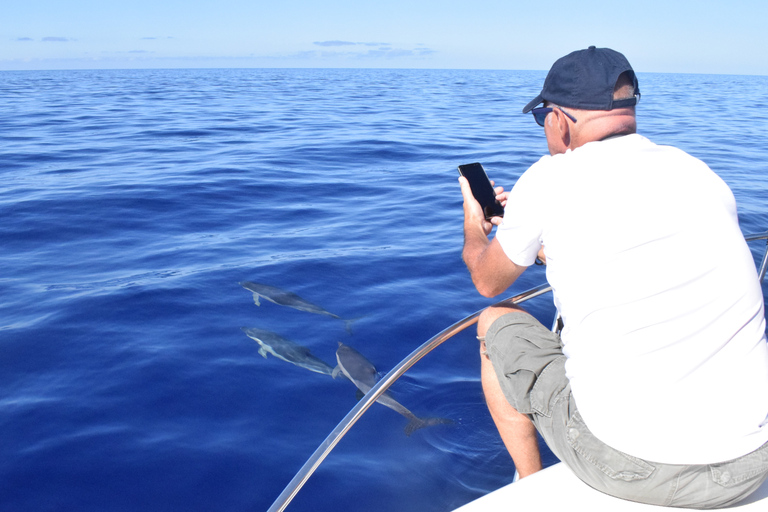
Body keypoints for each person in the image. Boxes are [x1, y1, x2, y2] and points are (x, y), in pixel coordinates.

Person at [459, 46, 768, 508]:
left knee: (492, 319)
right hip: (755, 453)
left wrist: (473, 225)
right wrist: (542, 249)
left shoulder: (549, 178)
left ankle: (527, 482)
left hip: (642, 468)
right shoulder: (697, 171)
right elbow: (634, 243)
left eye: (542, 114)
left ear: (559, 120)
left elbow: (487, 280)